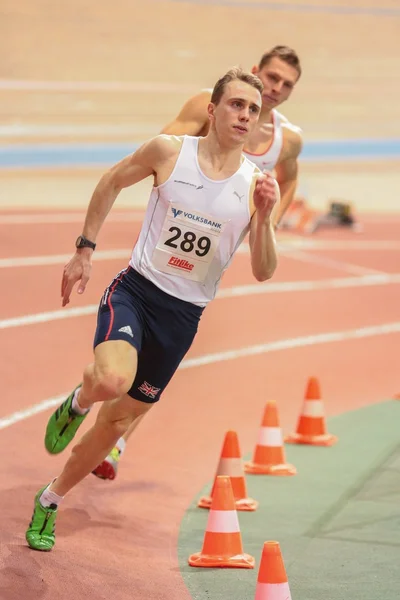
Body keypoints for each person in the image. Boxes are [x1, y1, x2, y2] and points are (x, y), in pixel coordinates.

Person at [25, 66, 280, 551]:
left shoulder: (257, 186)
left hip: (182, 319)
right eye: (236, 104)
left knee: (118, 422)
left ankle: (50, 499)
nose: (246, 115)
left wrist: (265, 218)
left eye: (253, 108)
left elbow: (265, 270)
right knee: (110, 380)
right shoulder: (169, 151)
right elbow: (112, 181)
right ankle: (78, 401)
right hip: (137, 293)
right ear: (212, 109)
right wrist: (84, 250)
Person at [93, 44, 302, 481]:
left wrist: (270, 221)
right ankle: (105, 428)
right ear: (256, 71)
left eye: (287, 84)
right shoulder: (207, 106)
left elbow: (290, 175)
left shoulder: (286, 139)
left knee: (160, 360)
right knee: (125, 361)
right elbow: (168, 147)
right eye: (273, 78)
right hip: (180, 220)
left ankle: (118, 438)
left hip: (214, 248)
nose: (278, 89)